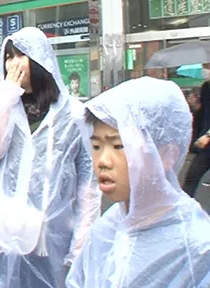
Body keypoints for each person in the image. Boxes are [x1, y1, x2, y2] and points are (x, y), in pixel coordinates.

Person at [67, 77, 210, 287]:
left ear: (166, 152)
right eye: (96, 147)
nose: (103, 162)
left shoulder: (196, 248)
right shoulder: (106, 229)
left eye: (119, 146)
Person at [0, 27, 100, 288]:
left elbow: (88, 186)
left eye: (19, 56)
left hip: (53, 241)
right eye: (8, 57)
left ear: (38, 60)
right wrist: (4, 99)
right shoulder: (8, 108)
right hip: (6, 236)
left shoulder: (74, 115)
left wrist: (80, 247)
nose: (12, 64)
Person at [183, 62, 210, 198]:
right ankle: (183, 212)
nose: (205, 70)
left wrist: (208, 135)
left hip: (207, 140)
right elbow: (204, 113)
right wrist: (195, 106)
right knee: (191, 177)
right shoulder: (206, 87)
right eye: (204, 66)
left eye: (208, 66)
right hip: (205, 146)